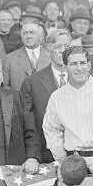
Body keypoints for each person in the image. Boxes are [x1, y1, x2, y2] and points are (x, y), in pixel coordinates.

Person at [43, 46, 93, 173]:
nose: (79, 68)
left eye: (83, 63)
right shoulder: (57, 97)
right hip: (72, 164)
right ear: (65, 67)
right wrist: (63, 159)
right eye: (73, 64)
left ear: (89, 65)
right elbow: (51, 129)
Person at [21, 28, 71, 163]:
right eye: (58, 47)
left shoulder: (83, 80)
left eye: (67, 46)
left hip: (78, 152)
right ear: (48, 51)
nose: (63, 50)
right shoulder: (32, 82)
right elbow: (29, 123)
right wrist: (33, 156)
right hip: (45, 153)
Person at [2, 22, 50, 91]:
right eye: (25, 33)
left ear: (41, 36)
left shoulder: (50, 57)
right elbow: (4, 88)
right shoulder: (9, 59)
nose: (28, 36)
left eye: (32, 32)